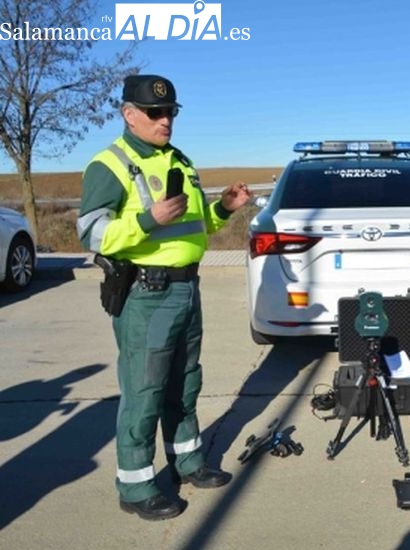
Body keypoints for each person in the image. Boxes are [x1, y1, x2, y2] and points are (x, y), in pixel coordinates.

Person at [77, 74, 252, 521]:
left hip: (186, 288)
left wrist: (222, 209)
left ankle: (187, 460)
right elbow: (91, 232)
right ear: (129, 114)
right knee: (145, 389)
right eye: (155, 113)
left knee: (184, 381)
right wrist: (146, 220)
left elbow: (195, 228)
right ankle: (135, 486)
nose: (165, 120)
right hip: (146, 293)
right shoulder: (109, 165)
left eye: (170, 112)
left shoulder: (180, 161)